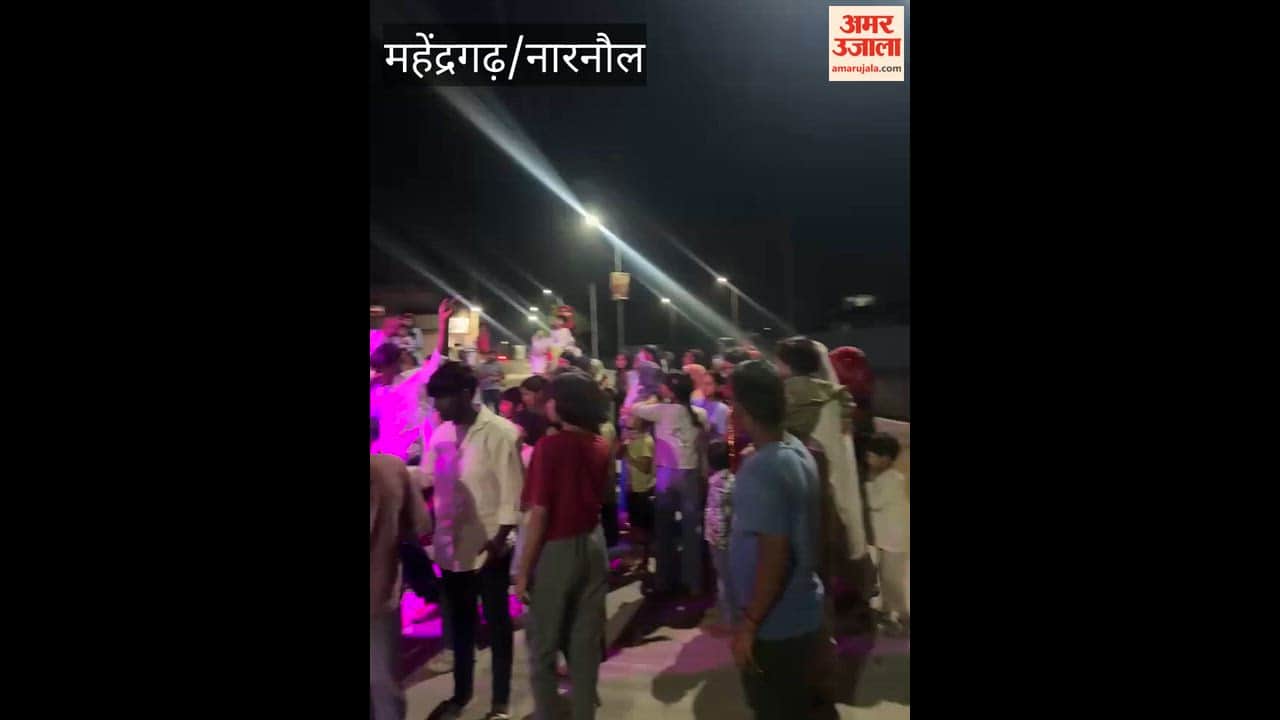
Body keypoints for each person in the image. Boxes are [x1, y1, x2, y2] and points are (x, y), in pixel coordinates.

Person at [727, 360, 829, 720]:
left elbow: (775, 554)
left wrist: (750, 625)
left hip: (775, 625)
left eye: (731, 400)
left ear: (743, 408)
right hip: (802, 614)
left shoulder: (762, 470)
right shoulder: (797, 450)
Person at [422, 362, 524, 720]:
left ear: (467, 394)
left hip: (489, 551)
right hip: (451, 549)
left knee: (497, 629)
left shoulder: (502, 433)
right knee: (460, 628)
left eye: (443, 399)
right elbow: (429, 482)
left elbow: (514, 495)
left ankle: (499, 701)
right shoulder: (440, 436)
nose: (438, 407)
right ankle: (460, 693)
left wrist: (498, 541)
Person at [514, 371, 611, 720]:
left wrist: (523, 572)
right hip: (593, 545)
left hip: (556, 549)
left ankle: (548, 713)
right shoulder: (601, 444)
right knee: (584, 646)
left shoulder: (550, 447)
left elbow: (539, 513)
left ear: (562, 404)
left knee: (542, 646)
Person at [776, 337, 869, 584]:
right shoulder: (838, 399)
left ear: (786, 364)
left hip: (794, 489)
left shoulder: (779, 398)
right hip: (831, 489)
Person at [630, 372, 709, 596]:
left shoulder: (660, 411)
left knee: (663, 529)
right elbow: (702, 447)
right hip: (690, 474)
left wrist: (653, 399)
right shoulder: (700, 413)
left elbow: (635, 408)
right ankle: (694, 582)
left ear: (670, 391)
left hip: (666, 474)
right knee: (691, 530)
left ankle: (664, 580)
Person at [370, 443, 431, 720]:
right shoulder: (393, 469)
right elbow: (420, 525)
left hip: (381, 596)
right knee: (385, 686)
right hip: (381, 595)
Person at [371, 298, 452, 460]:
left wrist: (443, 325)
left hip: (418, 456)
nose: (378, 373)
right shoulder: (377, 391)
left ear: (393, 365)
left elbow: (438, 358)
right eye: (375, 369)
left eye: (381, 369)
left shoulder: (415, 379)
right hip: (389, 458)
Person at [864, 433, 909, 634]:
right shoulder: (884, 477)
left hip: (895, 541)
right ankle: (886, 612)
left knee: (892, 580)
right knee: (884, 576)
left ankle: (904, 617)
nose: (868, 459)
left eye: (872, 455)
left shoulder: (893, 480)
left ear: (885, 459)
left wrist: (866, 484)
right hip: (885, 539)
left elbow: (873, 502)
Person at [703, 439, 737, 630]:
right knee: (729, 576)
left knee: (722, 576)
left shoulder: (712, 481)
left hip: (714, 536)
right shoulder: (732, 481)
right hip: (729, 535)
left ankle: (728, 615)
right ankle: (732, 616)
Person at [621, 418, 656, 573]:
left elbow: (645, 466)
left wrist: (629, 455)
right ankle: (638, 559)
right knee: (635, 527)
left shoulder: (645, 441)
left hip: (642, 490)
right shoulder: (633, 439)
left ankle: (643, 561)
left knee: (642, 528)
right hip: (633, 488)